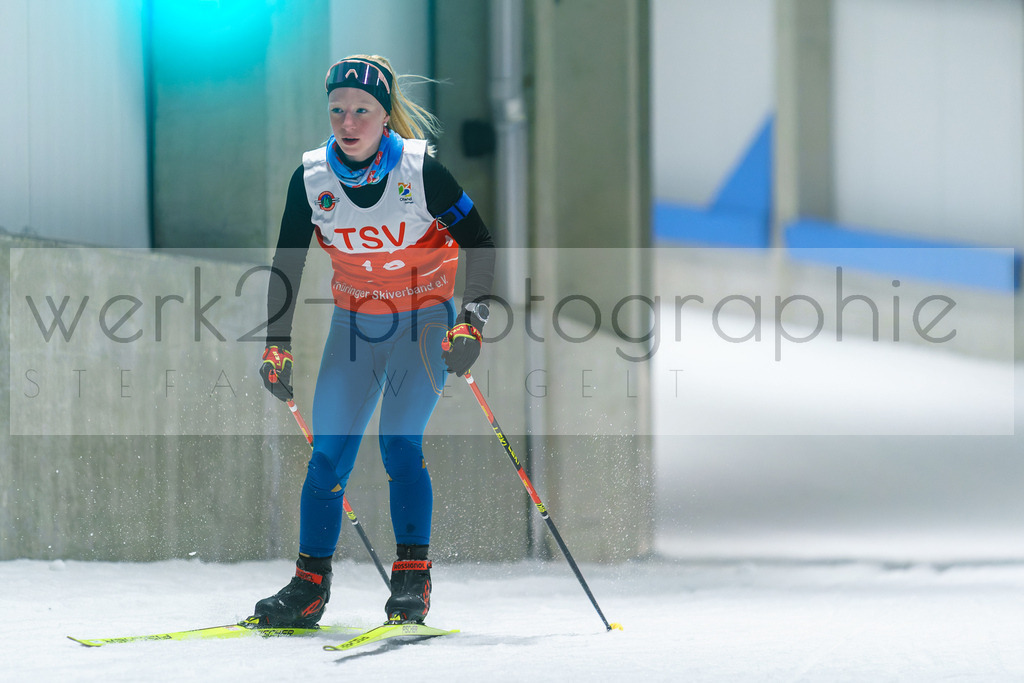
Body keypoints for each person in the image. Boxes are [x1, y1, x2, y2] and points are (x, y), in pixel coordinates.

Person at [252, 54, 495, 628]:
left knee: (398, 445)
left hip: (424, 322)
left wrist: (473, 321)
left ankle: (412, 581)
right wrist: (276, 343)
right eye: (337, 110)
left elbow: (481, 243)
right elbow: (288, 264)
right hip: (354, 328)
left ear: (385, 116)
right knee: (327, 458)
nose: (348, 122)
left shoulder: (420, 171)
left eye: (362, 110)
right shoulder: (312, 178)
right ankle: (308, 588)